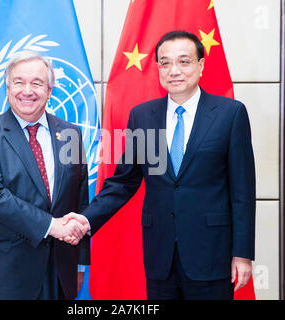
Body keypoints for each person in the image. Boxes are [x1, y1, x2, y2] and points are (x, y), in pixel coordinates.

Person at [64, 30, 256, 300]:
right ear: (158, 69)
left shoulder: (230, 114)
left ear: (200, 65)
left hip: (211, 253)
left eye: (184, 61)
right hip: (160, 256)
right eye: (165, 63)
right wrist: (85, 219)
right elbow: (123, 182)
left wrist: (243, 253)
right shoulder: (143, 116)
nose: (174, 70)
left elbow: (242, 192)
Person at [0, 51, 90, 300]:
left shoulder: (70, 134)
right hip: (5, 276)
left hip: (59, 273)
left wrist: (80, 264)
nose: (27, 90)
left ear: (50, 90)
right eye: (19, 82)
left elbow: (80, 200)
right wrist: (51, 226)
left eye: (37, 83)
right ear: (7, 87)